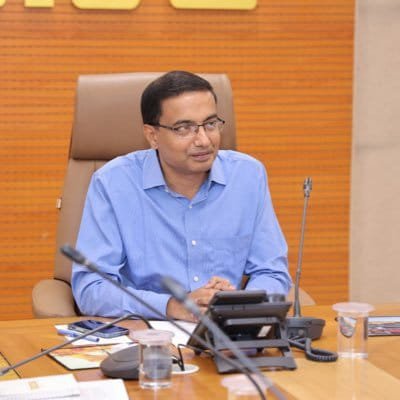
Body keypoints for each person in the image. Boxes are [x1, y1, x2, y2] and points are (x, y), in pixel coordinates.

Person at [71, 71, 292, 321]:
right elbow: (91, 288)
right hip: (148, 333)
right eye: (184, 128)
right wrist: (172, 306)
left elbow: (272, 272)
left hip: (228, 331)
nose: (204, 140)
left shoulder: (247, 176)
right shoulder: (113, 183)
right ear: (152, 135)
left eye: (210, 124)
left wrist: (239, 304)